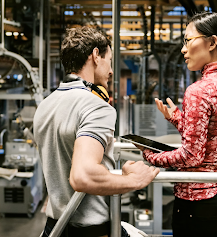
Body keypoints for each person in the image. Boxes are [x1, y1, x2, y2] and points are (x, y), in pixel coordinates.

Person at [34, 26, 160, 237]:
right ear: (95, 55)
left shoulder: (46, 105)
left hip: (55, 228)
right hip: (92, 232)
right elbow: (82, 176)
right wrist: (133, 181)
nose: (111, 71)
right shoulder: (97, 107)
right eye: (109, 60)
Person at [139, 12, 217, 237]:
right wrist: (177, 118)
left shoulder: (199, 90)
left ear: (212, 42)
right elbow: (213, 139)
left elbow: (192, 155)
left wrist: (150, 157)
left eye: (187, 40)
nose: (183, 49)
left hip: (198, 207)